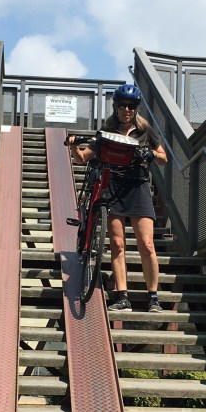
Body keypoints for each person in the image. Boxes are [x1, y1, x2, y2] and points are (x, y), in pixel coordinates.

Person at [70, 83, 168, 312]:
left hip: (138, 187)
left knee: (147, 244)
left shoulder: (146, 130)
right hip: (112, 187)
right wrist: (74, 147)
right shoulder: (107, 132)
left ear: (136, 108)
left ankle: (153, 297)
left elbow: (164, 158)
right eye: (122, 105)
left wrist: (151, 154)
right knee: (117, 243)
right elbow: (83, 158)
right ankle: (122, 296)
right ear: (116, 106)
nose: (127, 109)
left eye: (131, 106)